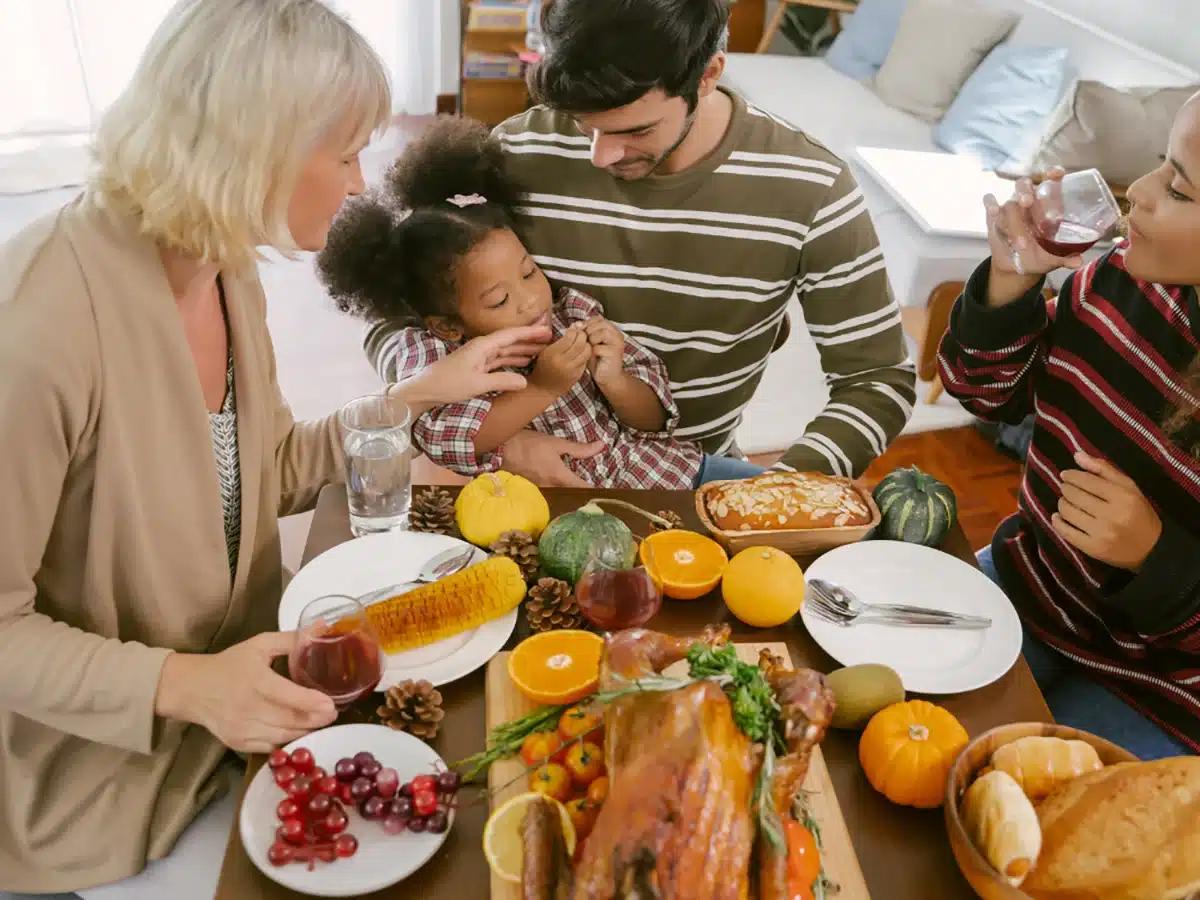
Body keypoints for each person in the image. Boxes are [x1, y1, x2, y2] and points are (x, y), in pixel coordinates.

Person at [0, 3, 548, 898]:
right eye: (344, 154)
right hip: (106, 782)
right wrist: (183, 684)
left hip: (256, 712)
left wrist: (418, 395)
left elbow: (266, 471)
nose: (359, 180)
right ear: (256, 144)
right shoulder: (37, 329)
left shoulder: (223, 263)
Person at [366, 0, 916, 487]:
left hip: (690, 470)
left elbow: (876, 379)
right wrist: (507, 440)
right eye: (584, 125)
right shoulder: (515, 149)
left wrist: (783, 492)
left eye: (636, 131)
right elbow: (398, 310)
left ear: (707, 75)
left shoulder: (812, 188)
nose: (600, 157)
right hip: (524, 476)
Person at [938, 93, 1200, 759]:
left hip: (1165, 689)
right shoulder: (1114, 281)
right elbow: (983, 393)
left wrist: (1157, 559)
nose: (1136, 194)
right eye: (1157, 164)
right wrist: (1010, 281)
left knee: (1040, 835)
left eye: (1178, 188)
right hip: (1032, 590)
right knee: (899, 735)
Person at [321, 117, 764, 488]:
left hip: (657, 471)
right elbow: (446, 438)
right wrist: (542, 388)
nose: (531, 299)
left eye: (531, 271)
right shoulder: (434, 353)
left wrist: (614, 379)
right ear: (447, 325)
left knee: (785, 496)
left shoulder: (573, 313)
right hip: (552, 504)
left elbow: (655, 421)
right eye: (498, 299)